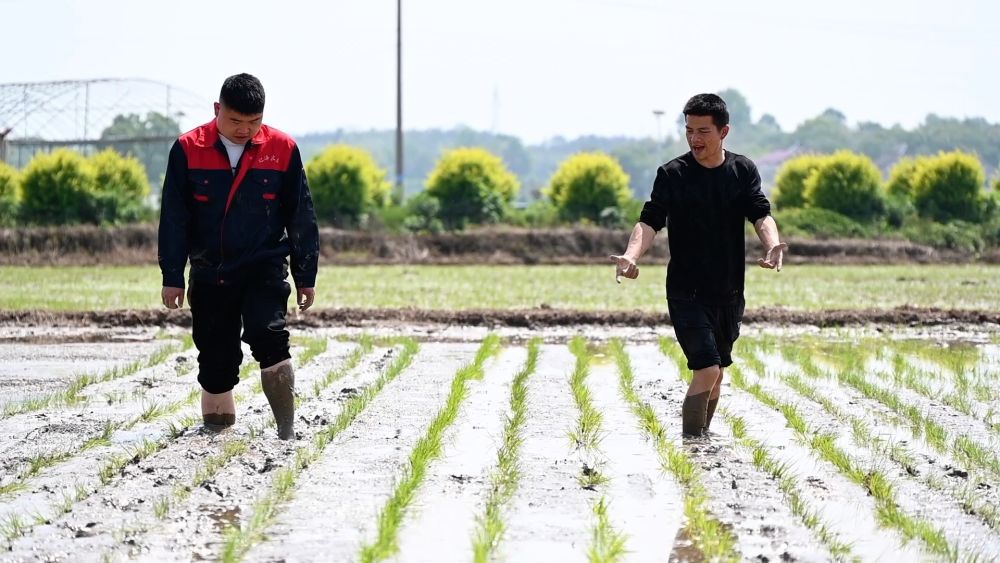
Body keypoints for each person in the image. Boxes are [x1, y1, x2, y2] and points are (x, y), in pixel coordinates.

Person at [611, 93, 786, 437]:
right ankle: (692, 444)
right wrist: (631, 256)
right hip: (685, 292)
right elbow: (649, 222)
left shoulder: (742, 170)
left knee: (717, 375)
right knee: (707, 370)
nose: (695, 138)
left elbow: (760, 213)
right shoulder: (673, 174)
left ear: (724, 132)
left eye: (703, 130)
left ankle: (702, 439)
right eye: (689, 130)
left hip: (729, 291)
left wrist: (772, 244)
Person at [158, 73, 319, 440]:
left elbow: (301, 216)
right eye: (235, 121)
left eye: (254, 122)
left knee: (271, 336)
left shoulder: (283, 149)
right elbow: (174, 217)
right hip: (210, 271)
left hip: (264, 266)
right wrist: (172, 274)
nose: (245, 130)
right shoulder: (187, 149)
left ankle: (287, 434)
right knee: (216, 361)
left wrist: (305, 275)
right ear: (218, 110)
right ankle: (215, 441)